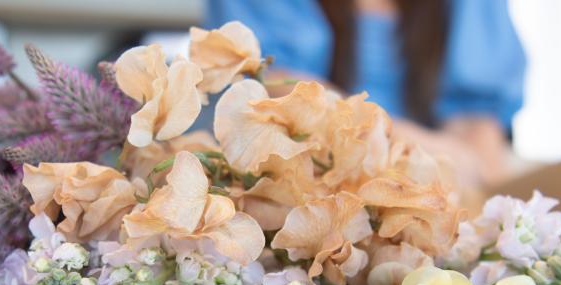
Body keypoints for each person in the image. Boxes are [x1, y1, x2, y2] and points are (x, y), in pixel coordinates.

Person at [205, 0, 527, 188]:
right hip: (307, 186)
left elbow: (481, 148)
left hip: (434, 199)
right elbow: (282, 88)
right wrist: (423, 147)